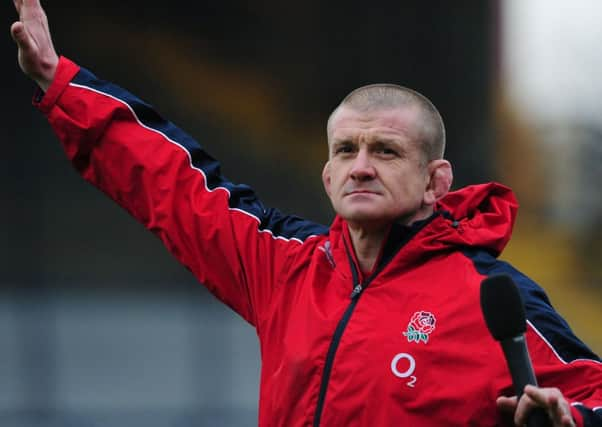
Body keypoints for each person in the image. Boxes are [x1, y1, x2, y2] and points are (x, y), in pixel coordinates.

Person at [11, 1, 602, 426]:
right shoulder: (287, 264)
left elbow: (593, 395)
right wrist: (59, 82)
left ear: (435, 182)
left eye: (386, 151)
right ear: (327, 176)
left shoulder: (492, 295)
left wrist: (572, 418)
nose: (361, 166)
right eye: (346, 150)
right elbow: (173, 183)